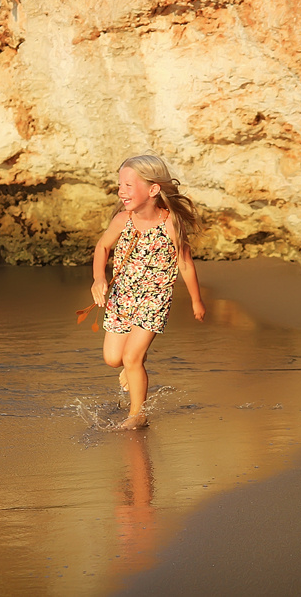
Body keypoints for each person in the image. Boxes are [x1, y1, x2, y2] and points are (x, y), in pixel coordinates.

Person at [90, 154, 206, 430]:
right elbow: (102, 247)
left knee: (131, 357)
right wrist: (98, 278)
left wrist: (196, 301)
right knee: (113, 359)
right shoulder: (123, 219)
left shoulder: (170, 224)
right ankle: (136, 361)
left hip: (155, 298)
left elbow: (185, 264)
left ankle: (137, 414)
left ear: (153, 189)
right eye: (120, 185)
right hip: (122, 296)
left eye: (129, 185)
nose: (122, 191)